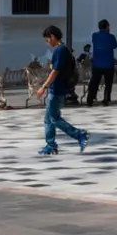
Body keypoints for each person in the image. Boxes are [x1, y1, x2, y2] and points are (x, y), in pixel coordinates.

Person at [33, 26, 86, 157]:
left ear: (52, 36)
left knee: (54, 119)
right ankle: (50, 145)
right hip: (57, 88)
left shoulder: (60, 50)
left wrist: (43, 87)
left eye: (47, 40)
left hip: (57, 89)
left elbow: (55, 72)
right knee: (48, 120)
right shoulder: (63, 49)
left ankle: (79, 134)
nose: (47, 43)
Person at [87, 19, 117, 107]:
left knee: (94, 82)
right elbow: (115, 45)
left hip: (97, 64)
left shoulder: (95, 36)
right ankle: (106, 99)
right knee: (108, 83)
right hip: (108, 63)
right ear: (107, 27)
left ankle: (90, 99)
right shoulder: (111, 37)